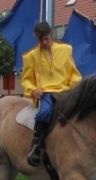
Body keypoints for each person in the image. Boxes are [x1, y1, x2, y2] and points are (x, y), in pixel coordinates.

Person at [22, 21, 82, 167]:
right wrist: (32, 90)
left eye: (46, 38)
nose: (44, 42)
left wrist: (75, 86)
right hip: (46, 93)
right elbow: (26, 80)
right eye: (40, 40)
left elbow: (73, 73)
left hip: (66, 91)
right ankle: (35, 147)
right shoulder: (30, 57)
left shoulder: (66, 49)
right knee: (45, 113)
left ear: (51, 34)